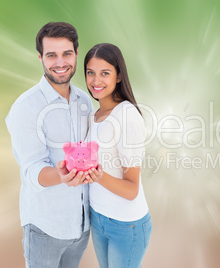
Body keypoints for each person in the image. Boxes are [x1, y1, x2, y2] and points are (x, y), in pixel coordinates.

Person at [5, 22, 94, 268]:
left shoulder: (85, 101)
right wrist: (61, 175)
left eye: (67, 53)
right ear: (40, 58)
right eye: (51, 55)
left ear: (77, 53)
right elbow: (32, 170)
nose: (60, 62)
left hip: (81, 226)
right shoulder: (26, 107)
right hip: (46, 227)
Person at [84, 43, 152, 268]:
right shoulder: (95, 115)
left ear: (119, 76)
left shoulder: (127, 116)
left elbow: (131, 189)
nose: (96, 81)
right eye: (90, 73)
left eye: (105, 73)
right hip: (99, 217)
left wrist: (96, 174)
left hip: (126, 225)